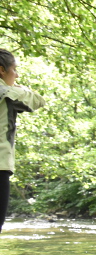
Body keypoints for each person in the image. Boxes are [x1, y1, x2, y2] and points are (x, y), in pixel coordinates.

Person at [0, 49, 45, 233]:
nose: (17, 75)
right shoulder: (8, 93)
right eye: (14, 70)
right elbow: (38, 101)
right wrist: (19, 88)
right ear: (1, 70)